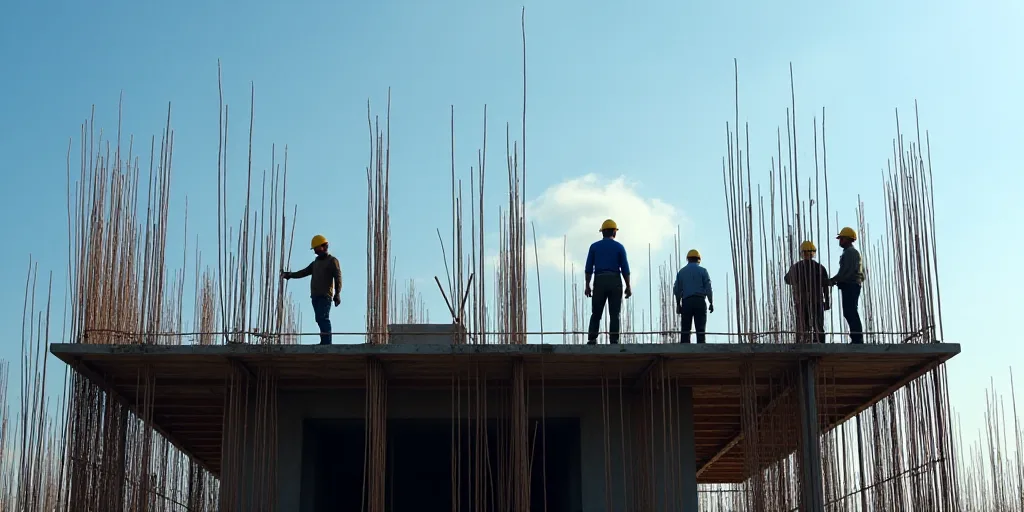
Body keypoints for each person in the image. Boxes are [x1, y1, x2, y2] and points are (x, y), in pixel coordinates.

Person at [281, 234, 342, 345]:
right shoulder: (315, 263)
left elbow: (338, 277)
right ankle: (324, 341)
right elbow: (303, 272)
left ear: (324, 246)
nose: (315, 251)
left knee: (323, 318)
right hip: (315, 296)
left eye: (316, 248)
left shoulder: (332, 261)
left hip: (325, 295)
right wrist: (290, 275)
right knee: (319, 319)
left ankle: (326, 343)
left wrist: (337, 294)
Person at [584, 219, 632, 344]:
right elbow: (625, 269)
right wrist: (628, 286)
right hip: (615, 280)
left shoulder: (594, 247)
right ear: (614, 232)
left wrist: (587, 285)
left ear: (602, 233)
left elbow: (588, 268)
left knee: (596, 312)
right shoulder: (619, 247)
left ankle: (592, 338)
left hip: (599, 280)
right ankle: (614, 340)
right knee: (615, 313)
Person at [784, 240, 831, 343]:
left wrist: (797, 280)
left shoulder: (797, 267)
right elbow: (826, 286)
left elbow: (787, 279)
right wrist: (827, 302)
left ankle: (801, 342)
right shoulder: (820, 268)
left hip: (802, 301)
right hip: (816, 300)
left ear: (802, 253)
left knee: (802, 325)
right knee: (818, 324)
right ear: (812, 253)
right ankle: (820, 343)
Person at [829, 227, 865, 344]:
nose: (840, 241)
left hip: (851, 284)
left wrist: (834, 280)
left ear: (848, 239)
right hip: (851, 284)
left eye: (842, 238)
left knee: (850, 311)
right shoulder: (850, 252)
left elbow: (846, 271)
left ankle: (857, 339)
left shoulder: (850, 253)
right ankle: (856, 338)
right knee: (850, 311)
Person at [673, 249, 714, 343]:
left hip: (687, 302)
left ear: (688, 259)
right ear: (698, 259)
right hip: (700, 301)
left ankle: (684, 350)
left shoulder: (682, 272)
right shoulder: (703, 271)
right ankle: (701, 348)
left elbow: (676, 290)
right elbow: (708, 288)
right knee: (700, 330)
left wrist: (678, 304)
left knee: (685, 330)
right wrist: (711, 302)